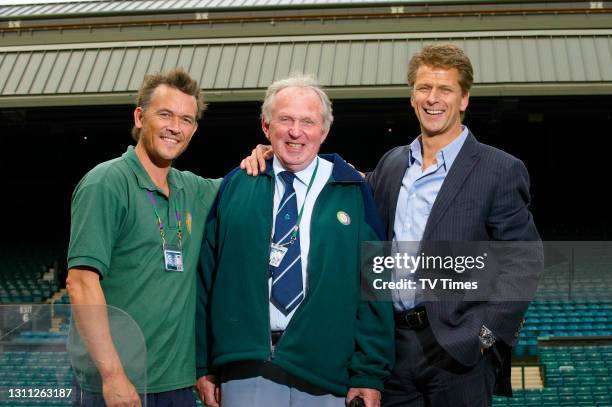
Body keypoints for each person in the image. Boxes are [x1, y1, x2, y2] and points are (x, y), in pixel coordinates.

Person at [241, 43, 542, 407]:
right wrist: (277, 151)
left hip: (458, 352)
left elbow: (524, 261)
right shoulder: (392, 164)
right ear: (412, 96)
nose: (433, 99)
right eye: (424, 88)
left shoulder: (499, 169)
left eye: (445, 89)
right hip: (395, 350)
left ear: (463, 99)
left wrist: (482, 336)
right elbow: (336, 179)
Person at [195, 74, 394, 407]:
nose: (295, 131)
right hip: (245, 371)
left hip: (325, 372)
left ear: (324, 131)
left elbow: (375, 284)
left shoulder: (352, 191)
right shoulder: (236, 186)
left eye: (307, 122)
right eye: (285, 120)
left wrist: (369, 373)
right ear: (266, 126)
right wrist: (203, 363)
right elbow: (206, 278)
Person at [67, 68, 221, 407]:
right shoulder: (106, 182)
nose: (175, 128)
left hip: (177, 385)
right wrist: (113, 377)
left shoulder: (193, 188)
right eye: (165, 114)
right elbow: (80, 283)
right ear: (140, 116)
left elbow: (246, 183)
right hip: (116, 385)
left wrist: (263, 154)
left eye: (186, 119)